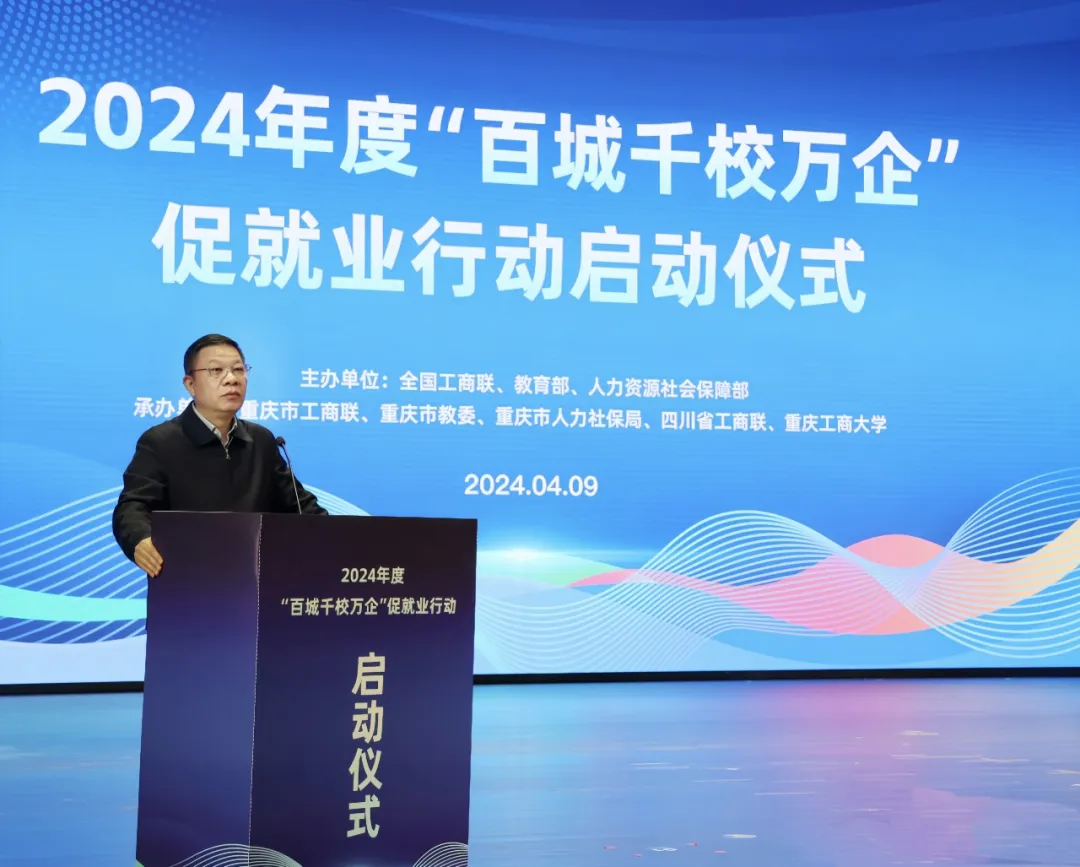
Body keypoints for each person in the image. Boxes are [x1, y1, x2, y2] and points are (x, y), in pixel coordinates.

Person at [112, 334, 326, 577]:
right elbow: (133, 506)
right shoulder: (161, 441)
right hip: (188, 578)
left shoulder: (261, 440)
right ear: (190, 384)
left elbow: (301, 507)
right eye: (216, 370)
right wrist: (140, 539)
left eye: (238, 370)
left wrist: (340, 536)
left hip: (257, 579)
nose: (231, 379)